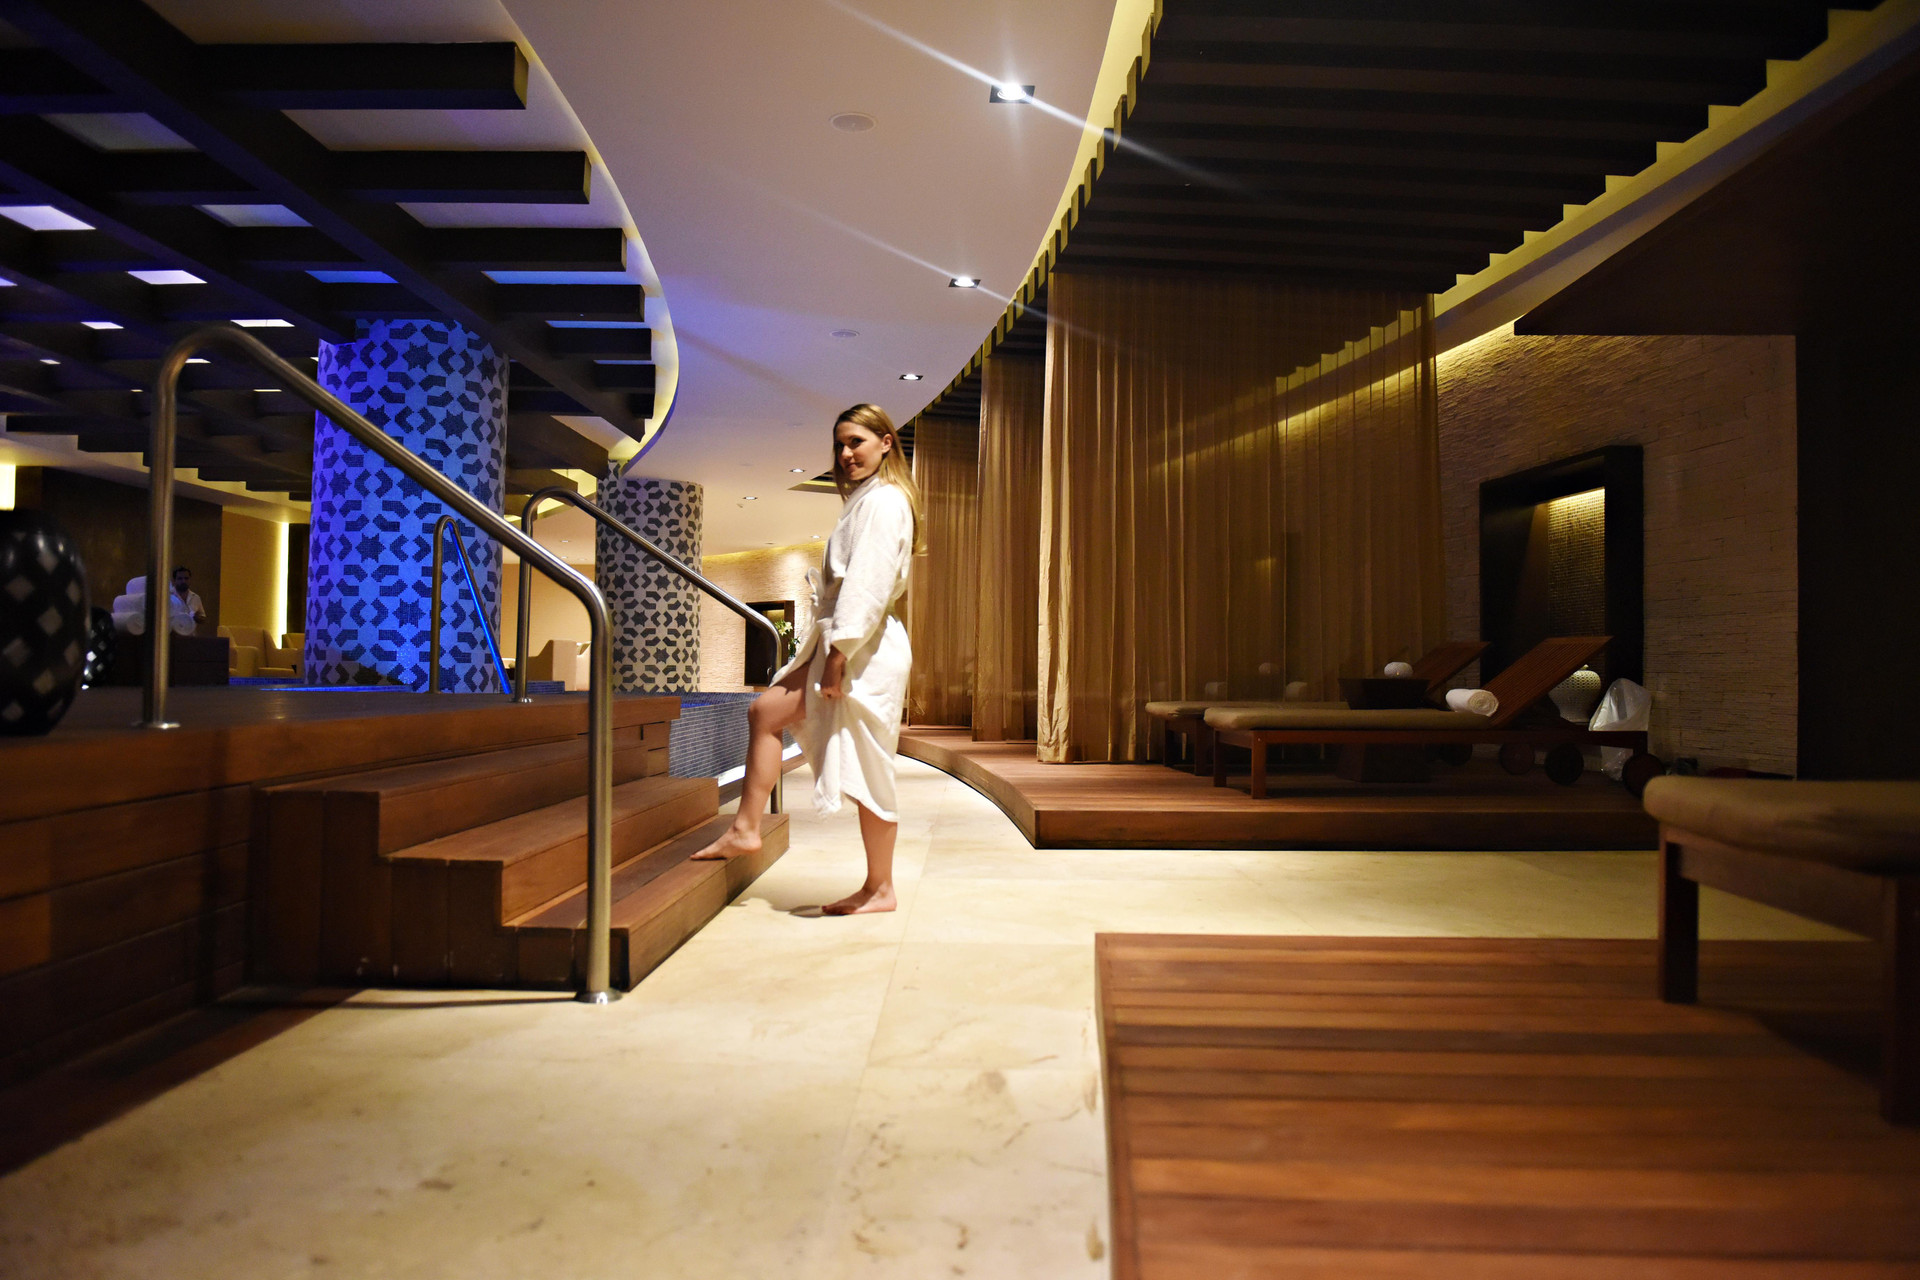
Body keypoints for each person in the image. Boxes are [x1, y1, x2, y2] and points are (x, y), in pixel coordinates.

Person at [692, 403, 923, 915]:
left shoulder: (886, 501)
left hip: (863, 648)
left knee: (869, 766)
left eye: (857, 442)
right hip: (843, 640)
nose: (845, 454)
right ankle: (746, 828)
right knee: (765, 711)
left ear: (886, 442)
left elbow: (869, 581)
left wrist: (840, 653)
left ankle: (880, 888)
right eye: (840, 445)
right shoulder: (866, 500)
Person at [169, 566, 206, 632]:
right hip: (171, 634)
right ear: (174, 580)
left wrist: (196, 617)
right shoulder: (168, 597)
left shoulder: (195, 598)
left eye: (186, 578)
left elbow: (202, 617)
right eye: (180, 578)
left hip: (190, 635)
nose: (183, 581)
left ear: (190, 579)